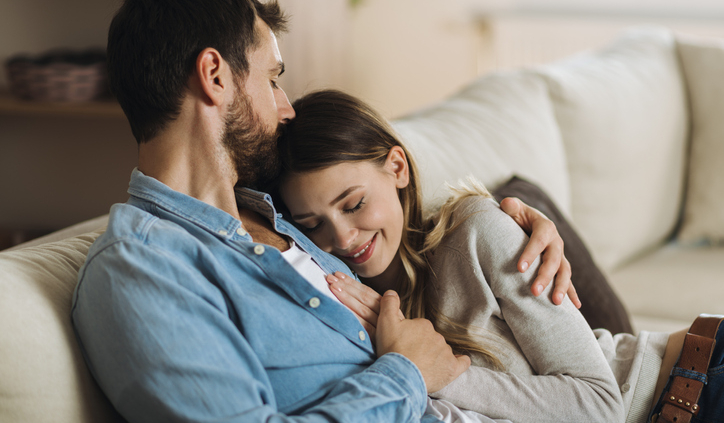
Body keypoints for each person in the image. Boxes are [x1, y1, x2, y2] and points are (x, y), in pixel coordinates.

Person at [71, 1, 579, 422]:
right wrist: (407, 372)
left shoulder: (277, 211)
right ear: (215, 77)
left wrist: (507, 219)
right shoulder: (141, 269)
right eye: (272, 80)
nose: (286, 107)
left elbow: (389, 209)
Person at [274, 89, 724, 423]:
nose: (343, 237)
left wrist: (441, 373)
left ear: (397, 167)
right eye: (312, 224)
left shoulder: (473, 231)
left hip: (698, 379)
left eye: (354, 204)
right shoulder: (346, 301)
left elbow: (599, 406)